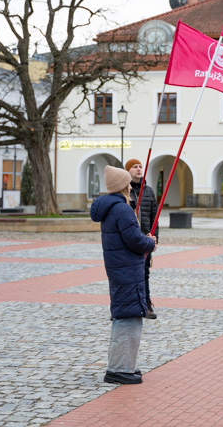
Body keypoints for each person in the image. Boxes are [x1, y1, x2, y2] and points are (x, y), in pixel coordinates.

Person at [90, 165, 157, 385]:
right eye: (128, 182)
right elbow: (134, 241)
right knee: (128, 317)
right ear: (122, 186)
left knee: (125, 315)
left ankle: (123, 364)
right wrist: (150, 243)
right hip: (127, 268)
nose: (131, 185)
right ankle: (119, 369)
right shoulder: (122, 209)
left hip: (121, 268)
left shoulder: (113, 208)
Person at [125, 158, 159, 320]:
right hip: (129, 237)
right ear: (128, 171)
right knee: (127, 272)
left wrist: (154, 238)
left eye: (140, 166)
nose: (138, 169)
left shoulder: (148, 191)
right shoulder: (124, 190)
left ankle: (146, 303)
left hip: (145, 237)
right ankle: (125, 305)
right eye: (134, 167)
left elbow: (154, 216)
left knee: (144, 272)